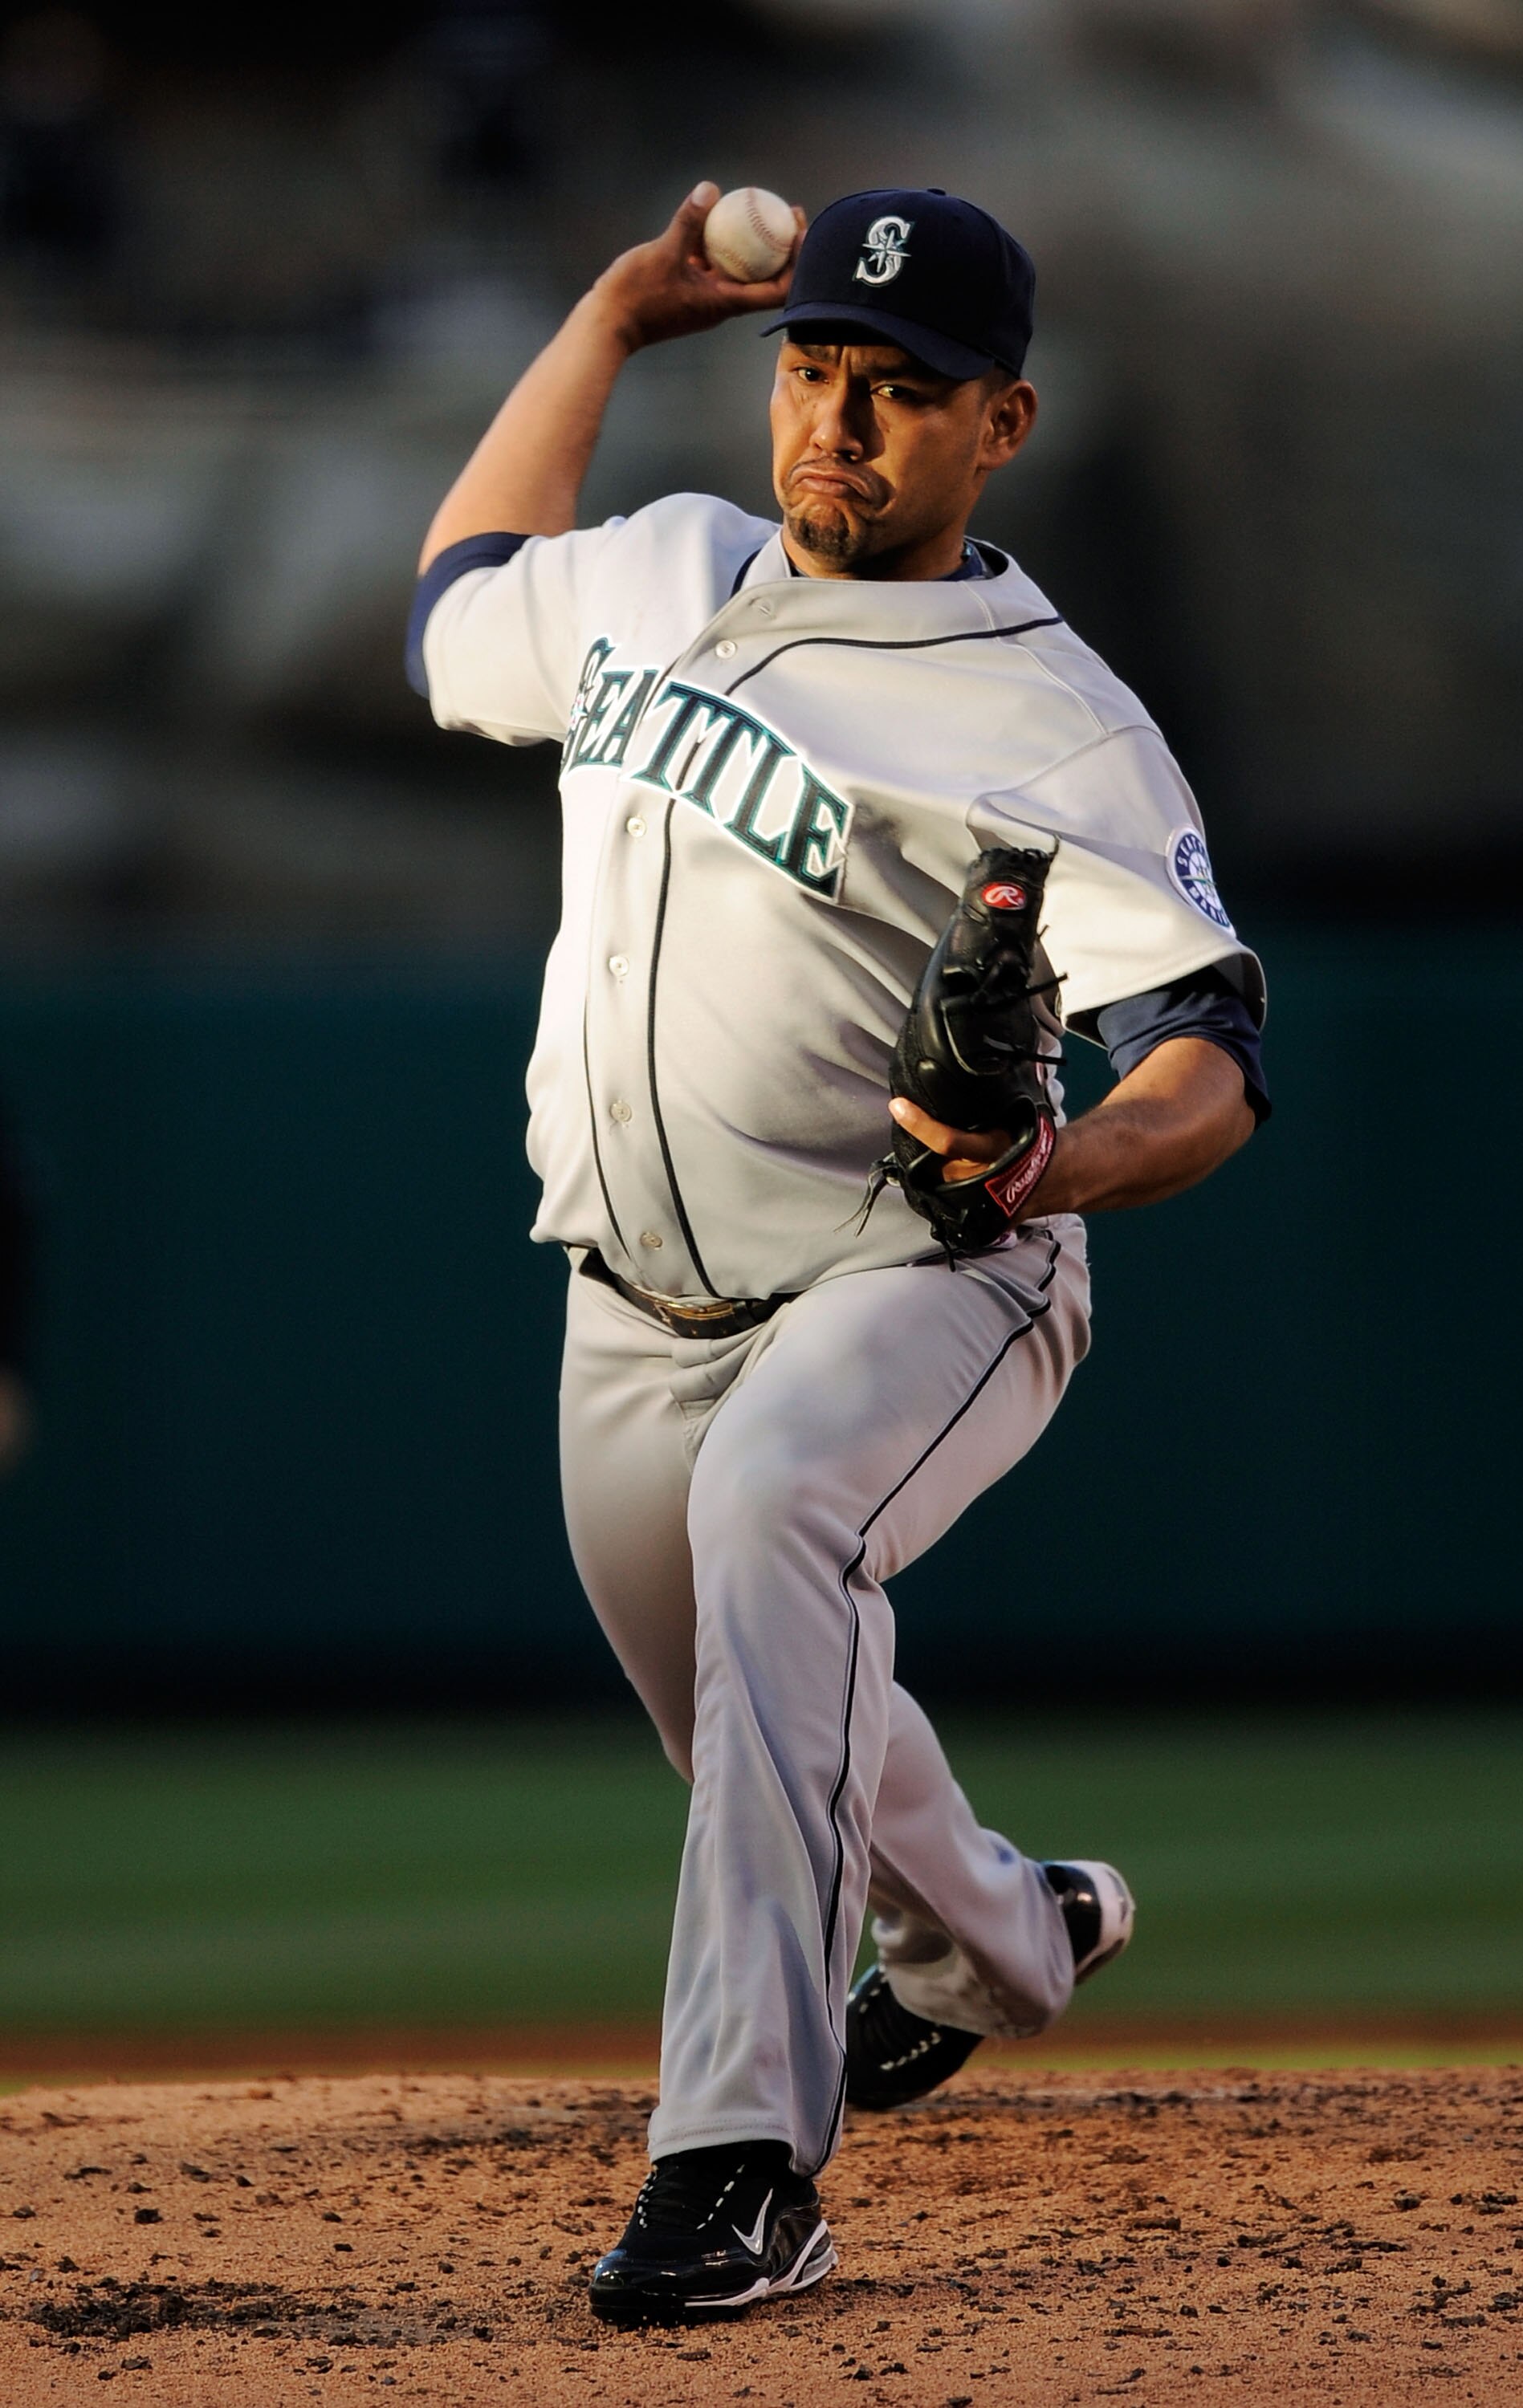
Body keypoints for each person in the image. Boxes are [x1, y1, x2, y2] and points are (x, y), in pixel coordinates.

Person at [409, 182, 1268, 2324]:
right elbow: (453, 607)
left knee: (778, 1512)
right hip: (627, 1308)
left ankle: (736, 2169)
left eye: (904, 392)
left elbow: (1210, 1056)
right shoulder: (662, 570)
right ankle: (1003, 1935)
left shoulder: (1046, 717)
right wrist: (609, 315)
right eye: (813, 369)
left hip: (919, 1276)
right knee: (758, 1727)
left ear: (1002, 425)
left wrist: (1049, 1169)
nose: (840, 421)